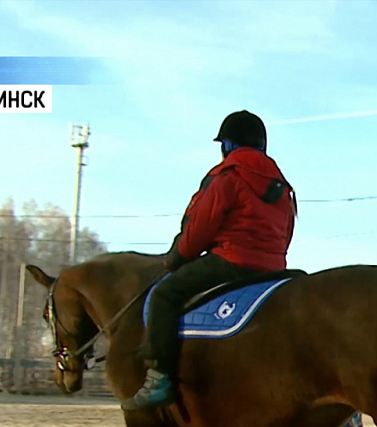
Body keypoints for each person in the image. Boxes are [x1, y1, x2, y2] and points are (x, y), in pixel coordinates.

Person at [122, 110, 296, 411]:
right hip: (273, 270)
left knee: (163, 295)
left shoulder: (226, 177)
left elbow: (199, 228)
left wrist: (177, 257)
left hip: (230, 261)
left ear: (228, 145)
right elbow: (288, 231)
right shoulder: (282, 186)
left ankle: (160, 378)